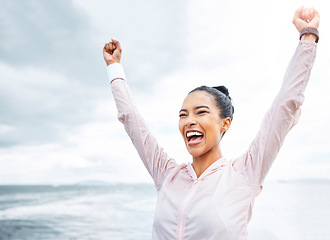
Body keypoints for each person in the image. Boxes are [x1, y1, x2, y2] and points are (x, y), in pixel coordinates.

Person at [103, 6, 320, 240]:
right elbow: (131, 119)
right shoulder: (167, 175)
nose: (189, 121)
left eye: (201, 112)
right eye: (183, 115)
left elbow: (285, 106)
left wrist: (307, 36)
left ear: (225, 124)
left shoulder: (244, 174)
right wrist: (114, 67)